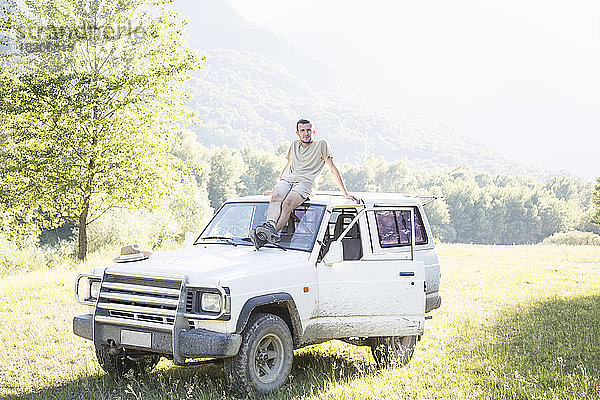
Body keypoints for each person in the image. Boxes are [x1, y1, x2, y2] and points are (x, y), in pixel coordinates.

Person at [250, 119, 358, 249]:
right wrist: (277, 187)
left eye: (308, 130)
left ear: (313, 131)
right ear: (297, 133)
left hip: (306, 182)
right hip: (287, 180)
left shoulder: (322, 144)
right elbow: (287, 166)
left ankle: (264, 236)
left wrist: (345, 193)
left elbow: (332, 168)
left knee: (287, 204)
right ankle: (269, 228)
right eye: (303, 130)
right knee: (276, 197)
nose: (306, 133)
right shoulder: (294, 145)